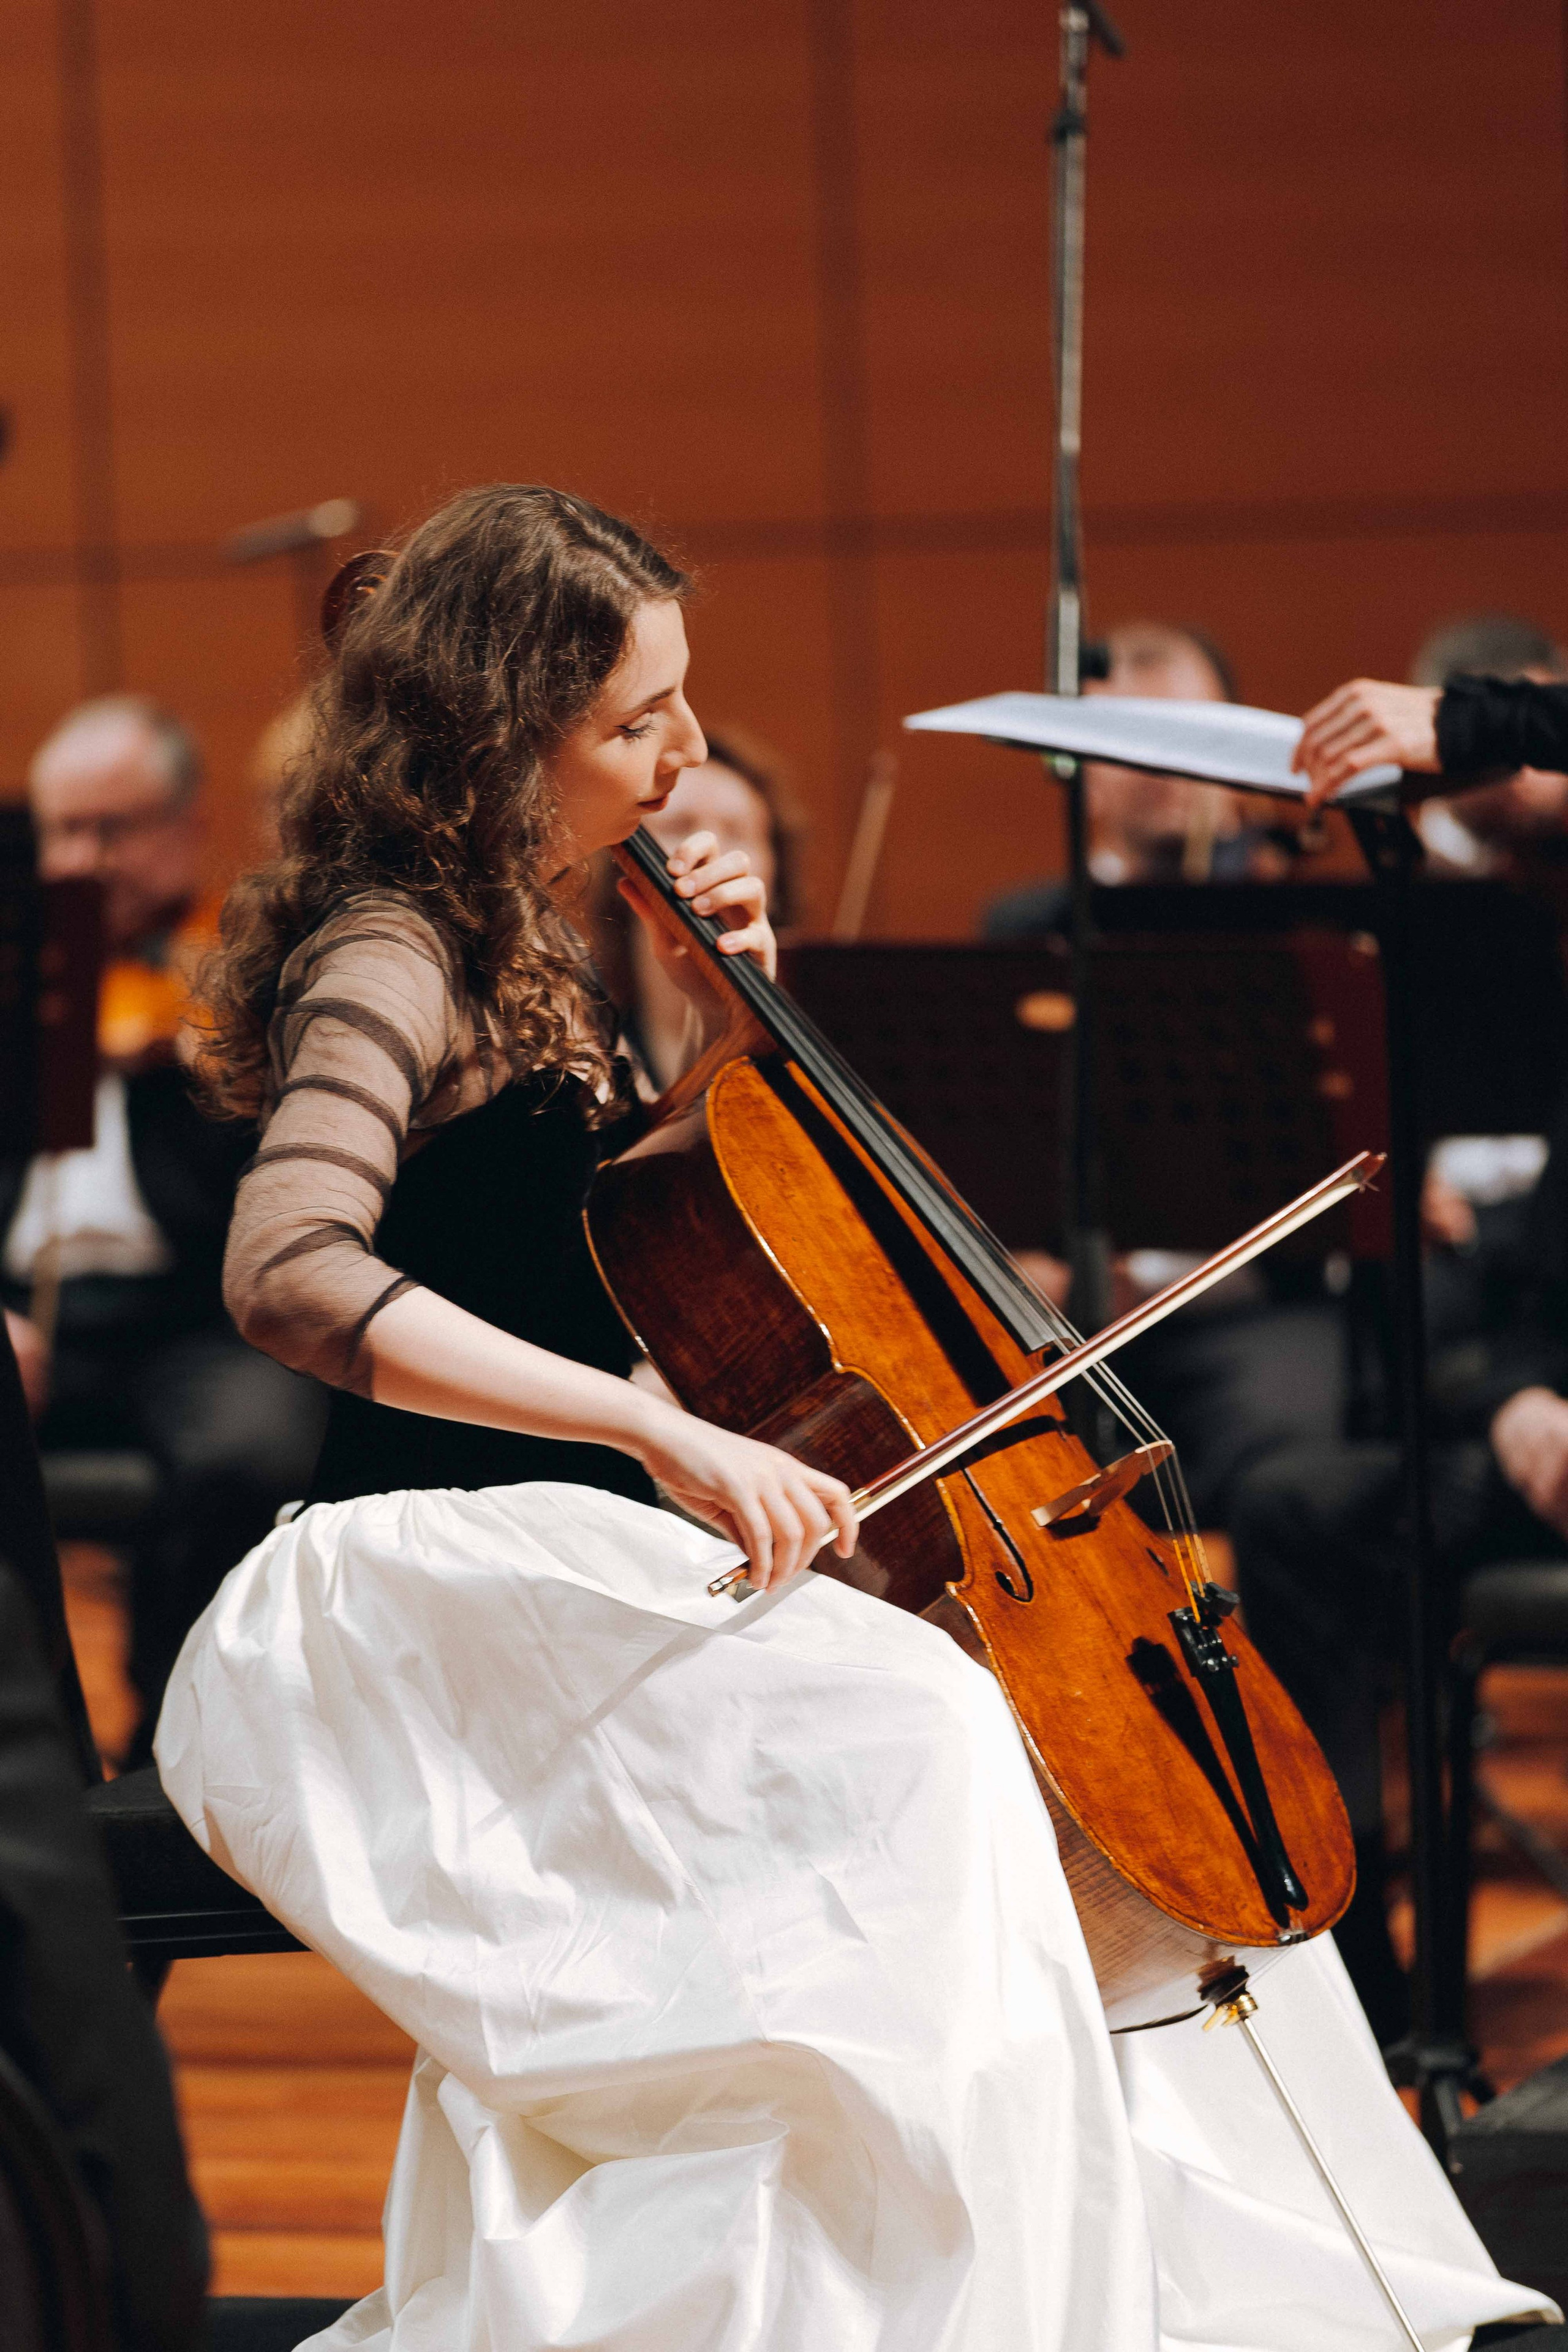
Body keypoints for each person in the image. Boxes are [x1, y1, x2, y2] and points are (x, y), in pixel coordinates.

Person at [154, 484, 1540, 2351]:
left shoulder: (549, 954)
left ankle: (1072, 2276)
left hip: (580, 1546)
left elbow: (624, 1256)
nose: (689, 750)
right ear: (505, 731)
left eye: (684, 700)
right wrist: (666, 1437)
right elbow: (292, 1274)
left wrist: (727, 1036)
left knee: (1017, 1746)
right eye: (638, 718)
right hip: (432, 1572)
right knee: (934, 1734)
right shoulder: (394, 949)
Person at [0, 697, 328, 1762]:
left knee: (256, 1446)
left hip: (192, 1318)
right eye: (64, 829)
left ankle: (168, 1745)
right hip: (23, 1318)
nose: (86, 859)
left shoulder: (242, 981)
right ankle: (33, 1757)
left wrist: (218, 1064)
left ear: (187, 830)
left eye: (118, 828)